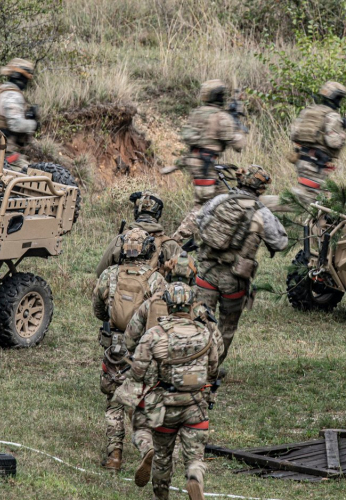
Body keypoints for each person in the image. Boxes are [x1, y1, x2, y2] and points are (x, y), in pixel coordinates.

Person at [129, 282, 222, 500]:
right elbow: (214, 369)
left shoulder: (155, 334)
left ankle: (160, 495)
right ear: (191, 306)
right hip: (195, 407)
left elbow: (137, 370)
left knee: (161, 456)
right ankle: (194, 477)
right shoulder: (205, 333)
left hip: (165, 409)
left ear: (168, 306)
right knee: (195, 456)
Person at [195, 165, 288, 361]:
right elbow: (280, 243)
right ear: (261, 189)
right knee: (226, 327)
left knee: (199, 322)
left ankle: (194, 364)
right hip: (234, 279)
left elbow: (200, 222)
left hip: (206, 272)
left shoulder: (219, 200)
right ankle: (213, 368)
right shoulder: (261, 211)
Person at [92, 228, 165, 471]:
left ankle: (114, 456)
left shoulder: (109, 274)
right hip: (143, 350)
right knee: (141, 401)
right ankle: (147, 447)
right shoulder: (157, 280)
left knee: (114, 402)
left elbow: (98, 310)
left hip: (115, 347)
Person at [173, 80, 247, 241]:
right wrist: (238, 127)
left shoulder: (198, 113)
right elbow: (239, 145)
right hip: (205, 168)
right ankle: (175, 241)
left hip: (199, 165)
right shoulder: (221, 117)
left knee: (226, 200)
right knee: (204, 207)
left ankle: (217, 239)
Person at [289, 81, 346, 207]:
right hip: (316, 164)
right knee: (311, 202)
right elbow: (333, 142)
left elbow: (294, 134)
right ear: (335, 98)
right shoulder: (332, 116)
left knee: (311, 197)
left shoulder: (309, 111)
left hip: (302, 160)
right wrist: (344, 132)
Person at [96, 191, 181, 279]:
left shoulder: (120, 239)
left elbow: (99, 273)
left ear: (136, 212)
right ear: (158, 214)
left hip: (119, 291)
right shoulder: (170, 244)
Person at [0, 58, 38, 171]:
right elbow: (15, 124)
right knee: (31, 175)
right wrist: (33, 124)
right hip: (4, 153)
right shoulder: (12, 95)